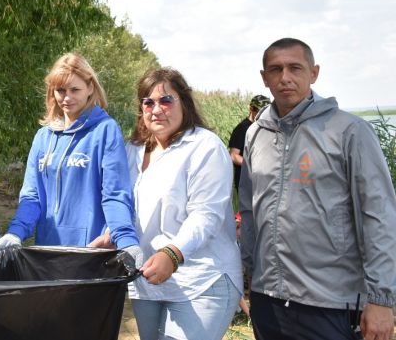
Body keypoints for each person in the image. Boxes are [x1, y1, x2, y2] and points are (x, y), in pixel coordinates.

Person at [239, 37, 396, 340]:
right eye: (275, 69)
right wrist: (247, 273)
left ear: (314, 73)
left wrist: (381, 299)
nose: (285, 77)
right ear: (264, 77)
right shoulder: (256, 135)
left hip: (329, 301)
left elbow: (379, 217)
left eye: (295, 68)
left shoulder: (348, 131)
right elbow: (249, 210)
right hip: (266, 297)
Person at [125, 67, 243, 340]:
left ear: (184, 103)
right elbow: (123, 204)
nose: (157, 109)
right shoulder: (132, 150)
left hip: (202, 280)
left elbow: (206, 215)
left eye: (166, 100)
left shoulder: (205, 147)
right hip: (148, 281)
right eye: (149, 102)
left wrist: (173, 253)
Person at [0, 52, 141, 262]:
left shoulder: (106, 130)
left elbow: (115, 193)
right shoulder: (43, 136)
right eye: (60, 90)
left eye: (74, 89)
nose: (66, 98)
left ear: (90, 88)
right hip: (47, 251)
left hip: (92, 252)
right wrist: (16, 232)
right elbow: (32, 196)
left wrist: (126, 240)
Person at [228, 94, 270, 191]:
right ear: (251, 109)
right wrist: (254, 165)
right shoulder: (242, 129)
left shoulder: (263, 127)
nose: (263, 115)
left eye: (266, 112)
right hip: (246, 183)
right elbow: (234, 156)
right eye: (259, 111)